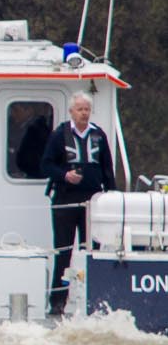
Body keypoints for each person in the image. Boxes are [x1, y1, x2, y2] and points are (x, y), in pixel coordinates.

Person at [39, 91, 115, 317]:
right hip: (65, 198)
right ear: (72, 111)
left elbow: (107, 169)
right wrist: (64, 175)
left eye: (87, 109)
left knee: (91, 249)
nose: (84, 113)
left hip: (92, 201)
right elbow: (46, 165)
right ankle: (58, 301)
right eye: (80, 109)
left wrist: (111, 196)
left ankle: (92, 298)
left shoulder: (98, 135)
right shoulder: (59, 134)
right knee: (63, 250)